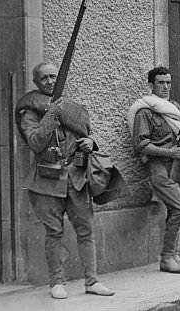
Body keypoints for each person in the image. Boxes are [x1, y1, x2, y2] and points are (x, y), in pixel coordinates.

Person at [16, 62, 114, 299]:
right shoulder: (29, 112)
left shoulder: (70, 108)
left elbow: (86, 133)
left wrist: (91, 143)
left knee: (86, 231)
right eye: (44, 78)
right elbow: (36, 143)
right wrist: (51, 114)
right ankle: (56, 283)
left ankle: (92, 281)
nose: (50, 81)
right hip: (47, 183)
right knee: (54, 233)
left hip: (77, 179)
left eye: (53, 77)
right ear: (36, 83)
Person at [128, 66, 180, 273]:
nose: (166, 87)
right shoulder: (145, 112)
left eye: (168, 82)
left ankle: (175, 255)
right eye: (161, 82)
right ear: (151, 85)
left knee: (174, 211)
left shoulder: (173, 107)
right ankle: (167, 258)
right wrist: (170, 154)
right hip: (160, 168)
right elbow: (140, 145)